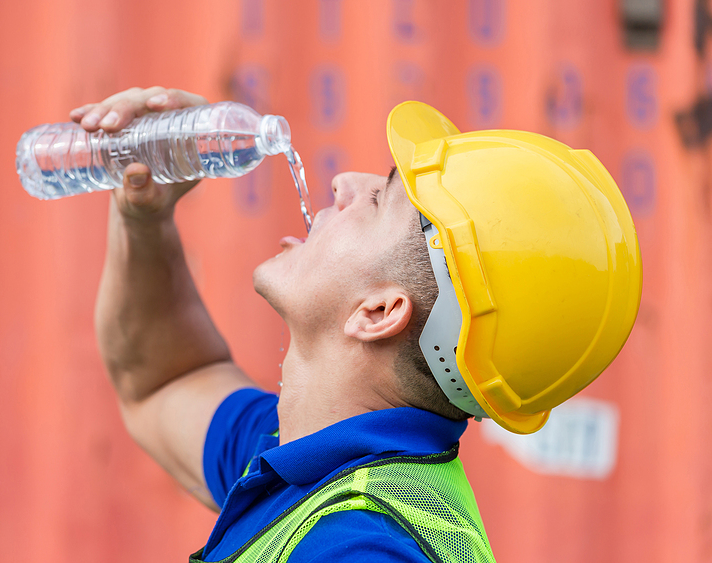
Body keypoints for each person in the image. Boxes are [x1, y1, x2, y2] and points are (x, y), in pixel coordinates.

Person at [70, 86, 642, 562]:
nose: (344, 182)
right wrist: (143, 215)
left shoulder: (360, 548)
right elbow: (163, 382)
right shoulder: (315, 463)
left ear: (379, 312)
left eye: (378, 200)